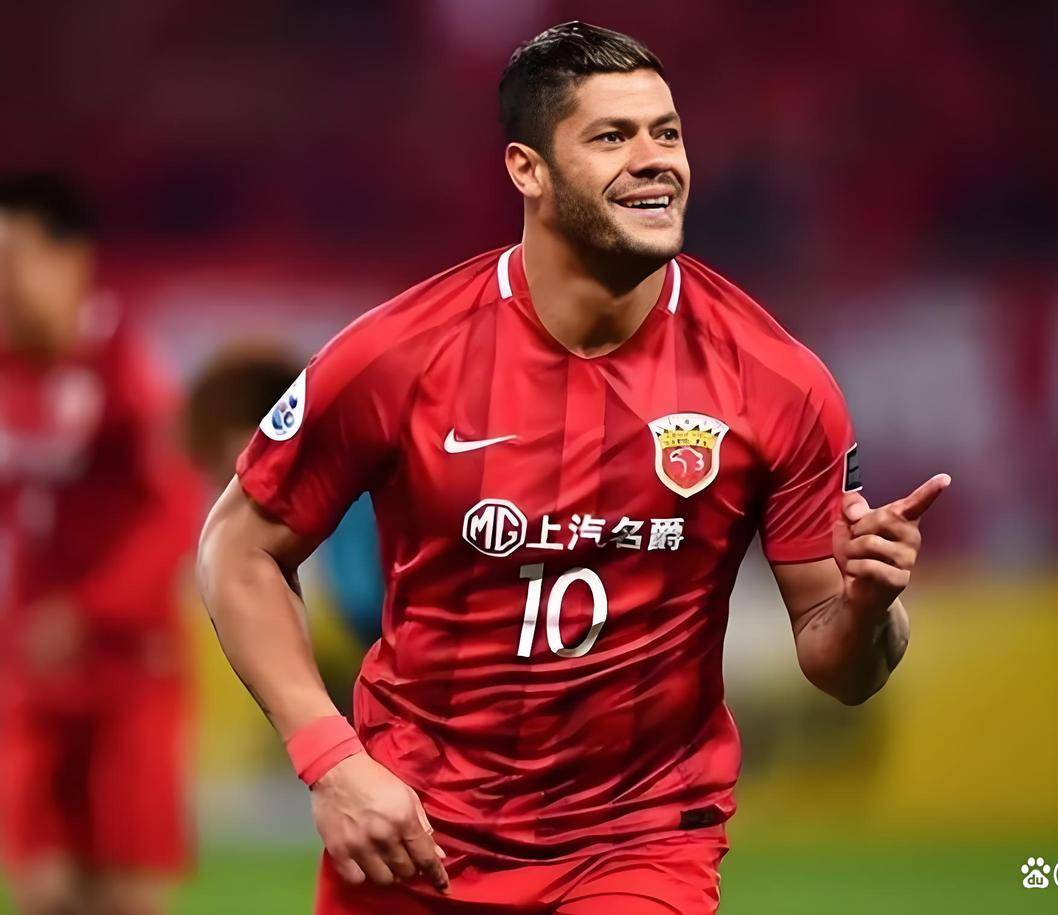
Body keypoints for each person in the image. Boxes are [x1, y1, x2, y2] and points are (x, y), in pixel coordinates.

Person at [197, 21, 949, 915]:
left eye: (666, 132)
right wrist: (332, 760)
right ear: (529, 170)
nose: (655, 159)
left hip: (639, 846)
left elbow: (842, 665)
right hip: (411, 836)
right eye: (613, 136)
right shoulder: (397, 357)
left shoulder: (779, 381)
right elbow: (237, 547)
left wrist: (868, 608)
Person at [0, 173, 200, 915]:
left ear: (71, 260)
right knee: (43, 886)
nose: (4, 284)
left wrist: (88, 612)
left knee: (125, 891)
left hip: (125, 670)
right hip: (28, 668)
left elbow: (173, 516)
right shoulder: (8, 369)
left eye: (14, 259)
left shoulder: (127, 369)